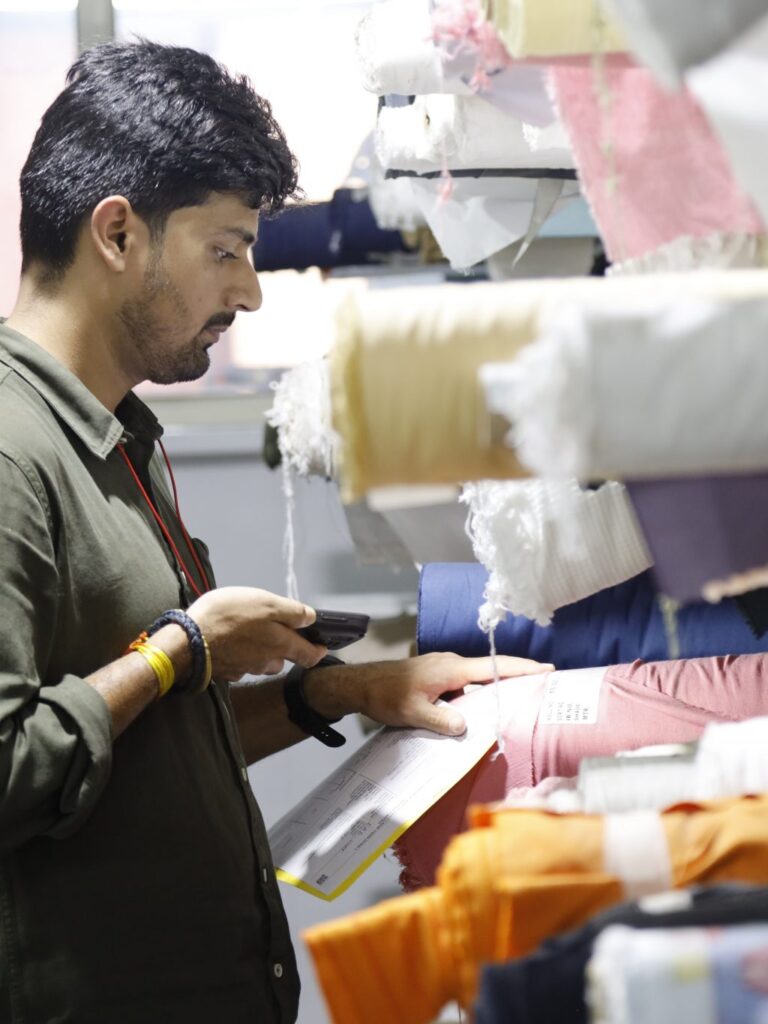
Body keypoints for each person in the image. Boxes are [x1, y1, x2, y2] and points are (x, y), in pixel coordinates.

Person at [0, 40, 549, 1024]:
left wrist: (344, 690)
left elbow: (147, 748)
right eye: (226, 249)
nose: (250, 290)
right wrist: (183, 649)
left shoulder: (113, 439)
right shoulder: (10, 453)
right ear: (117, 232)